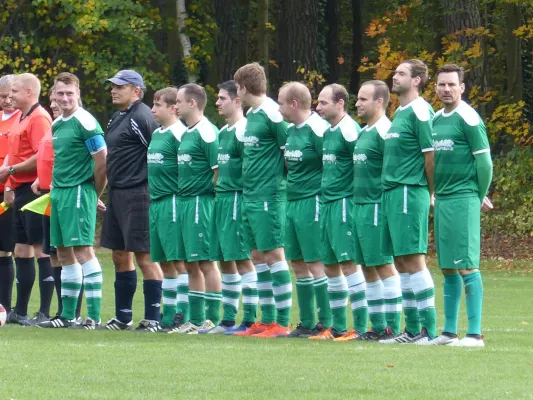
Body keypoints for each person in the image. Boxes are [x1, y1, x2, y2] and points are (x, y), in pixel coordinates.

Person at [428, 64, 493, 347]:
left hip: (463, 198)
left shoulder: (468, 118)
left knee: (466, 265)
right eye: (441, 84)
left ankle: (475, 334)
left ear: (462, 87)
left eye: (451, 84)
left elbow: (485, 163)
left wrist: (477, 196)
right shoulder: (436, 120)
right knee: (448, 267)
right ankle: (449, 332)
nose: (446, 89)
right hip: (442, 199)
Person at [37, 72, 107, 329]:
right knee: (64, 252)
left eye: (70, 93)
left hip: (79, 191)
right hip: (60, 193)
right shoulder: (57, 124)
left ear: (78, 94)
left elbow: (102, 163)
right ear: (54, 95)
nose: (64, 98)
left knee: (83, 251)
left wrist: (92, 196)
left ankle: (94, 318)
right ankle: (68, 316)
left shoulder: (86, 122)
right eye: (60, 93)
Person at [378, 60, 437, 344]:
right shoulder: (399, 112)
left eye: (401, 73)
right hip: (391, 193)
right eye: (395, 72)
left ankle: (428, 330)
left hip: (408, 191)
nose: (395, 76)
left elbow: (431, 156)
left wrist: (430, 192)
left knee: (413, 260)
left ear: (417, 80)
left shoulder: (420, 111)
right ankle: (411, 329)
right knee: (400, 261)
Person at [233, 63, 293, 338]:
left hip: (269, 195)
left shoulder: (272, 113)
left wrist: (279, 185)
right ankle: (266, 320)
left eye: (237, 88)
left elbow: (289, 151)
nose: (237, 93)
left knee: (274, 254)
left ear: (244, 88)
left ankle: (281, 322)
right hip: (251, 195)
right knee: (257, 256)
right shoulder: (252, 114)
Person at [101, 70, 163, 331]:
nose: (113, 90)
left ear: (136, 90)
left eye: (120, 86)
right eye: (112, 86)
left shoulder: (143, 116)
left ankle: (153, 318)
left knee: (144, 256)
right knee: (118, 254)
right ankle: (123, 316)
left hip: (138, 193)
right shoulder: (117, 116)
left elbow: (159, 150)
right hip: (117, 194)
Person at [309, 84, 367, 341]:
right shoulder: (329, 131)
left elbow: (363, 167)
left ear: (340, 102)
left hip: (344, 202)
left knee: (348, 263)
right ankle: (338, 327)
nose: (318, 108)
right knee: (330, 265)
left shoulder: (350, 130)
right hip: (327, 203)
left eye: (323, 103)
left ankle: (361, 327)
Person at [202, 80, 258, 334]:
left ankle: (250, 319)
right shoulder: (224, 131)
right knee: (225, 260)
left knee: (242, 260)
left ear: (237, 101)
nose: (217, 102)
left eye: (222, 98)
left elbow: (251, 171)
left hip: (237, 199)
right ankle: (228, 320)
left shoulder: (244, 131)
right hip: (221, 200)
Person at [277, 82, 332, 338]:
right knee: (297, 262)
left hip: (313, 201)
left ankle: (327, 322)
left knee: (315, 261)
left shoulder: (318, 129)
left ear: (294, 104)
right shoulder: (290, 131)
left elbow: (329, 166)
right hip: (293, 201)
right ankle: (307, 322)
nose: (278, 108)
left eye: (281, 102)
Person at [352, 80, 402, 340]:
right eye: (358, 98)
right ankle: (378, 326)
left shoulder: (386, 132)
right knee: (367, 267)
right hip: (359, 207)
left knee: (383, 265)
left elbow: (394, 172)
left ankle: (392, 326)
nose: (357, 103)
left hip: (376, 207)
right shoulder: (363, 132)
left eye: (363, 99)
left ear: (379, 101)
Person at [0, 73, 52, 324]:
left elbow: (40, 156)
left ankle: (44, 311)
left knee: (41, 249)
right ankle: (19, 311)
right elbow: (13, 152)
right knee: (21, 249)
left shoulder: (40, 118)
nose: (10, 97)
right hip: (19, 189)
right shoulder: (22, 116)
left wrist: (10, 171)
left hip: (35, 191)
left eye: (16, 92)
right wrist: (8, 179)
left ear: (30, 92)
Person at [30, 86, 84, 324]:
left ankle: (73, 312)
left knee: (70, 253)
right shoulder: (55, 126)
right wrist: (39, 179)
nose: (54, 104)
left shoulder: (77, 124)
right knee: (53, 253)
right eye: (52, 100)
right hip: (50, 195)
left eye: (58, 100)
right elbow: (50, 158)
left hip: (68, 195)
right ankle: (62, 312)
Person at [171, 83, 221, 334]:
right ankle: (196, 319)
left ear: (192, 103)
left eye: (178, 101)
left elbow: (218, 173)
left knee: (205, 262)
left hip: (201, 203)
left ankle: (210, 320)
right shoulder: (187, 133)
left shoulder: (207, 132)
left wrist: (205, 197)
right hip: (185, 203)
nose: (175, 106)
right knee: (191, 263)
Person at [146, 87, 187, 332]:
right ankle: (169, 314)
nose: (153, 109)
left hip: (173, 201)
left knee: (179, 260)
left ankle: (184, 313)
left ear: (174, 108)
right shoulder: (157, 134)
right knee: (166, 262)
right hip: (157, 202)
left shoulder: (180, 134)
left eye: (158, 105)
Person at [0, 74, 19, 314]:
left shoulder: (22, 119)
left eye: (9, 96)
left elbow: (17, 157)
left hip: (8, 191)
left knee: (6, 248)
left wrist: (9, 186)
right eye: (2, 96)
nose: (6, 101)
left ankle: (7, 304)